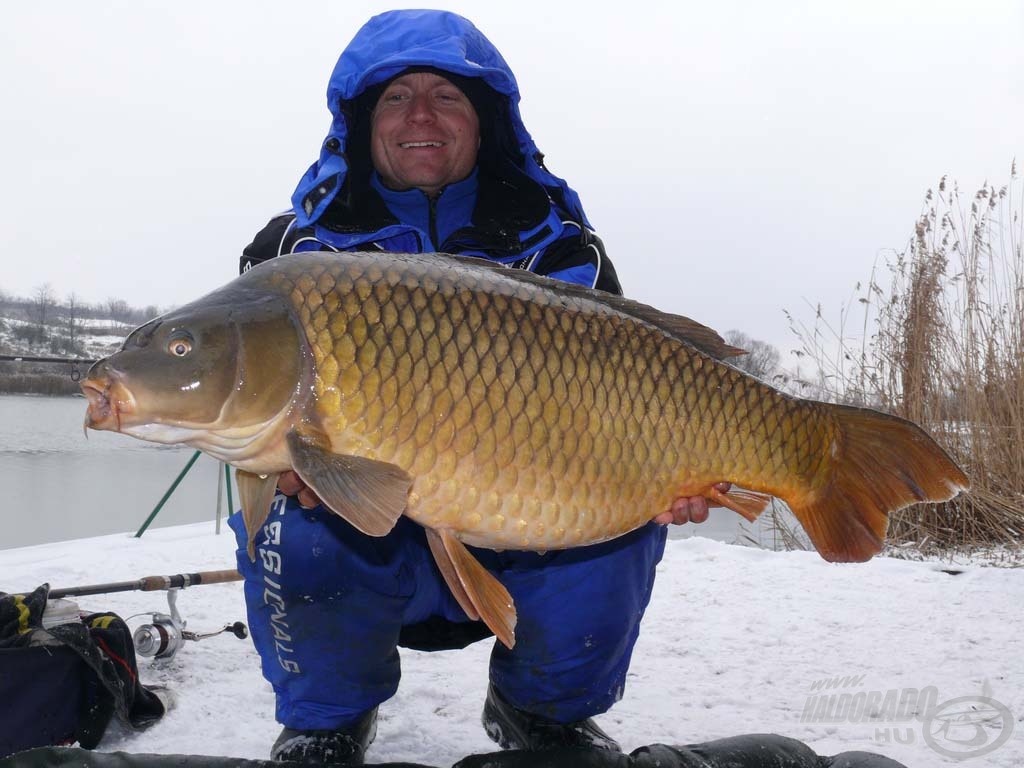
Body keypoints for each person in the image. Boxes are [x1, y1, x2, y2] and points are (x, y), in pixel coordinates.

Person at [229, 10, 721, 764]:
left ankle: (541, 712)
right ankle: (327, 717)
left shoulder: (559, 249)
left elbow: (636, 395)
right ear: (360, 126)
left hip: (521, 530)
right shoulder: (293, 255)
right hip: (369, 546)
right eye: (395, 97)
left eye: (446, 97)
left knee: (622, 521)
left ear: (487, 122)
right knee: (285, 519)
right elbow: (246, 399)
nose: (419, 115)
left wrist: (674, 470)